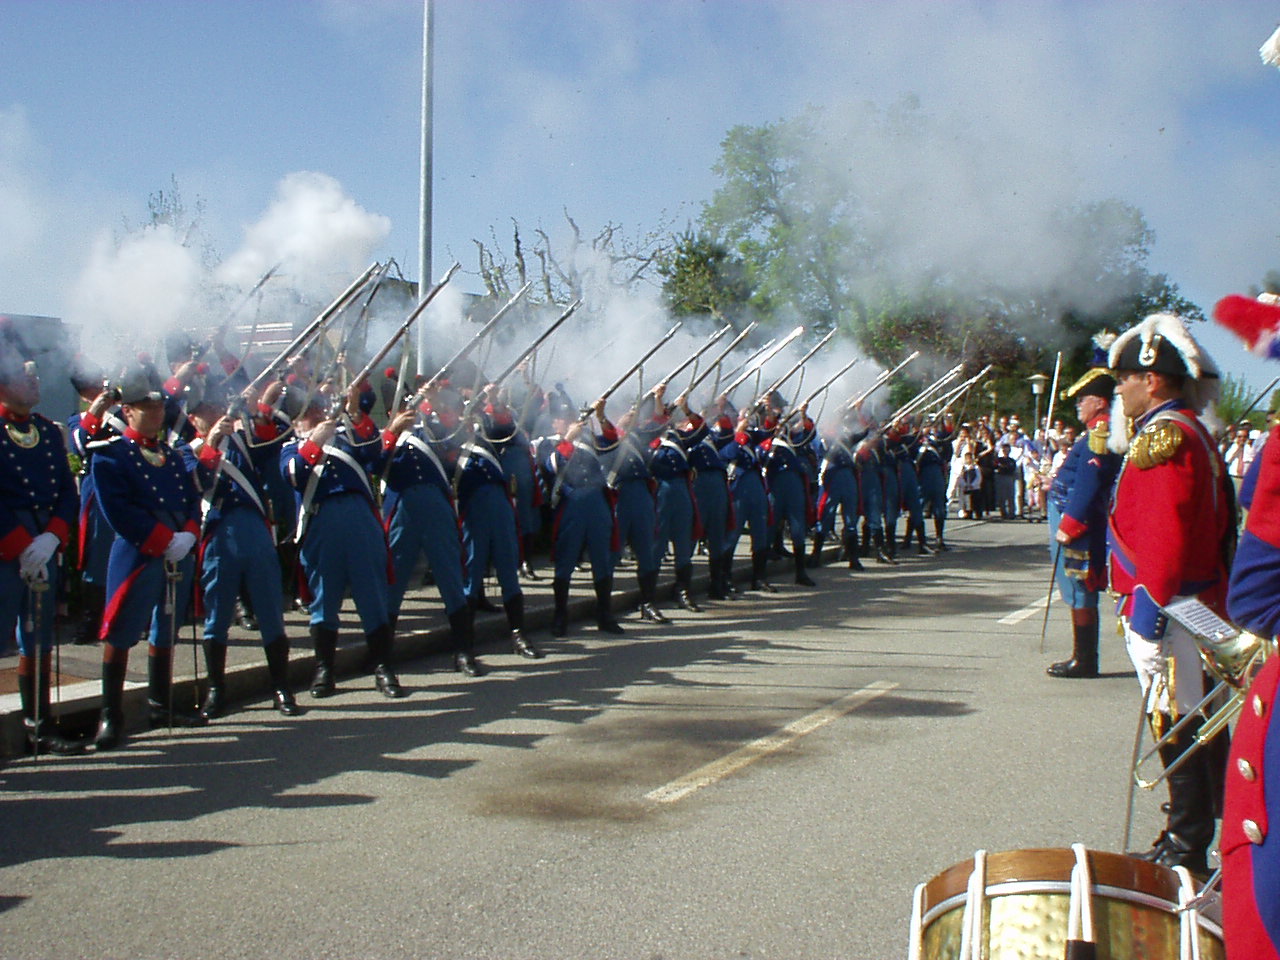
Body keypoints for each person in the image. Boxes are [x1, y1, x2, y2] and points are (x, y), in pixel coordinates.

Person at [1106, 312, 1233, 872]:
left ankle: (1186, 846)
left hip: (1172, 610)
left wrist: (1151, 618)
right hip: (1189, 605)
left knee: (1177, 725)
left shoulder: (1164, 436)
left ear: (1152, 378)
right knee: (1189, 725)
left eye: (1124, 380)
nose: (1121, 391)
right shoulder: (1186, 429)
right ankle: (1191, 835)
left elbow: (1164, 537)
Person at [91, 364, 206, 749]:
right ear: (128, 411)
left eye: (158, 407)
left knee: (167, 628)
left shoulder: (171, 456)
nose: (156, 413)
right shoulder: (111, 455)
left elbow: (191, 500)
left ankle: (161, 703)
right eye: (146, 407)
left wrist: (189, 534)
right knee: (123, 630)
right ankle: (111, 715)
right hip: (141, 552)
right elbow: (119, 511)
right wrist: (162, 540)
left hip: (178, 550)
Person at [183, 375, 302, 717]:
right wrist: (212, 440)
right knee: (217, 616)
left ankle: (281, 687)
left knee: (269, 612)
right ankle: (216, 691)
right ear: (194, 419)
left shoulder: (243, 439)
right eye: (207, 410)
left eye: (217, 406)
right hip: (219, 532)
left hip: (254, 530)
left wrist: (259, 407)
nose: (215, 412)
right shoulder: (187, 451)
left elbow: (277, 439)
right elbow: (196, 484)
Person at [281, 379, 402, 700]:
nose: (319, 417)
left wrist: (353, 411)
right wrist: (316, 441)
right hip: (322, 526)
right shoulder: (291, 448)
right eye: (310, 415)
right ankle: (324, 669)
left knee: (372, 597)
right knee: (325, 600)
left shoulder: (346, 439)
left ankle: (382, 666)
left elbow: (373, 450)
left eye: (320, 410)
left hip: (361, 522)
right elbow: (293, 474)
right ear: (296, 424)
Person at [0, 323, 85, 754]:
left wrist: (52, 539)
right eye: (21, 371)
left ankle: (40, 722)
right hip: (7, 551)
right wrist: (19, 546)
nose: (33, 377)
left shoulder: (49, 432)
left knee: (38, 637)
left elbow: (66, 496)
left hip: (42, 546)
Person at [1044, 353, 1120, 679]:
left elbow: (1089, 485)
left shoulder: (1098, 436)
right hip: (1073, 516)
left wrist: (1069, 523)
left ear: (1100, 402)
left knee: (1080, 586)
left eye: (1083, 399)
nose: (1078, 405)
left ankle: (1085, 659)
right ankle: (1083, 656)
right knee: (1077, 587)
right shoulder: (1093, 432)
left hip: (1079, 524)